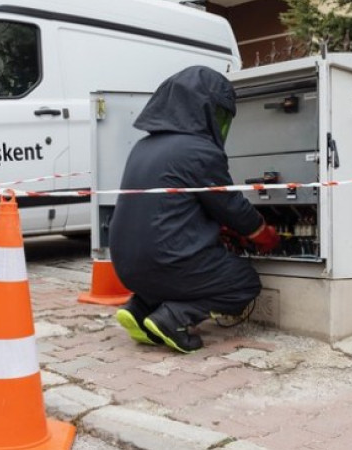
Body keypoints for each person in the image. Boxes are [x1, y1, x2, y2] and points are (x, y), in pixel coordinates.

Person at [108, 65, 280, 353]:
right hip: (168, 262)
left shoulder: (142, 147)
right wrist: (263, 233)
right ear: (205, 110)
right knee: (244, 282)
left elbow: (173, 209)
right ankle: (174, 318)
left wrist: (218, 229)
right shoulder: (199, 150)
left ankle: (138, 309)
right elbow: (232, 207)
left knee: (170, 274)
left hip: (126, 267)